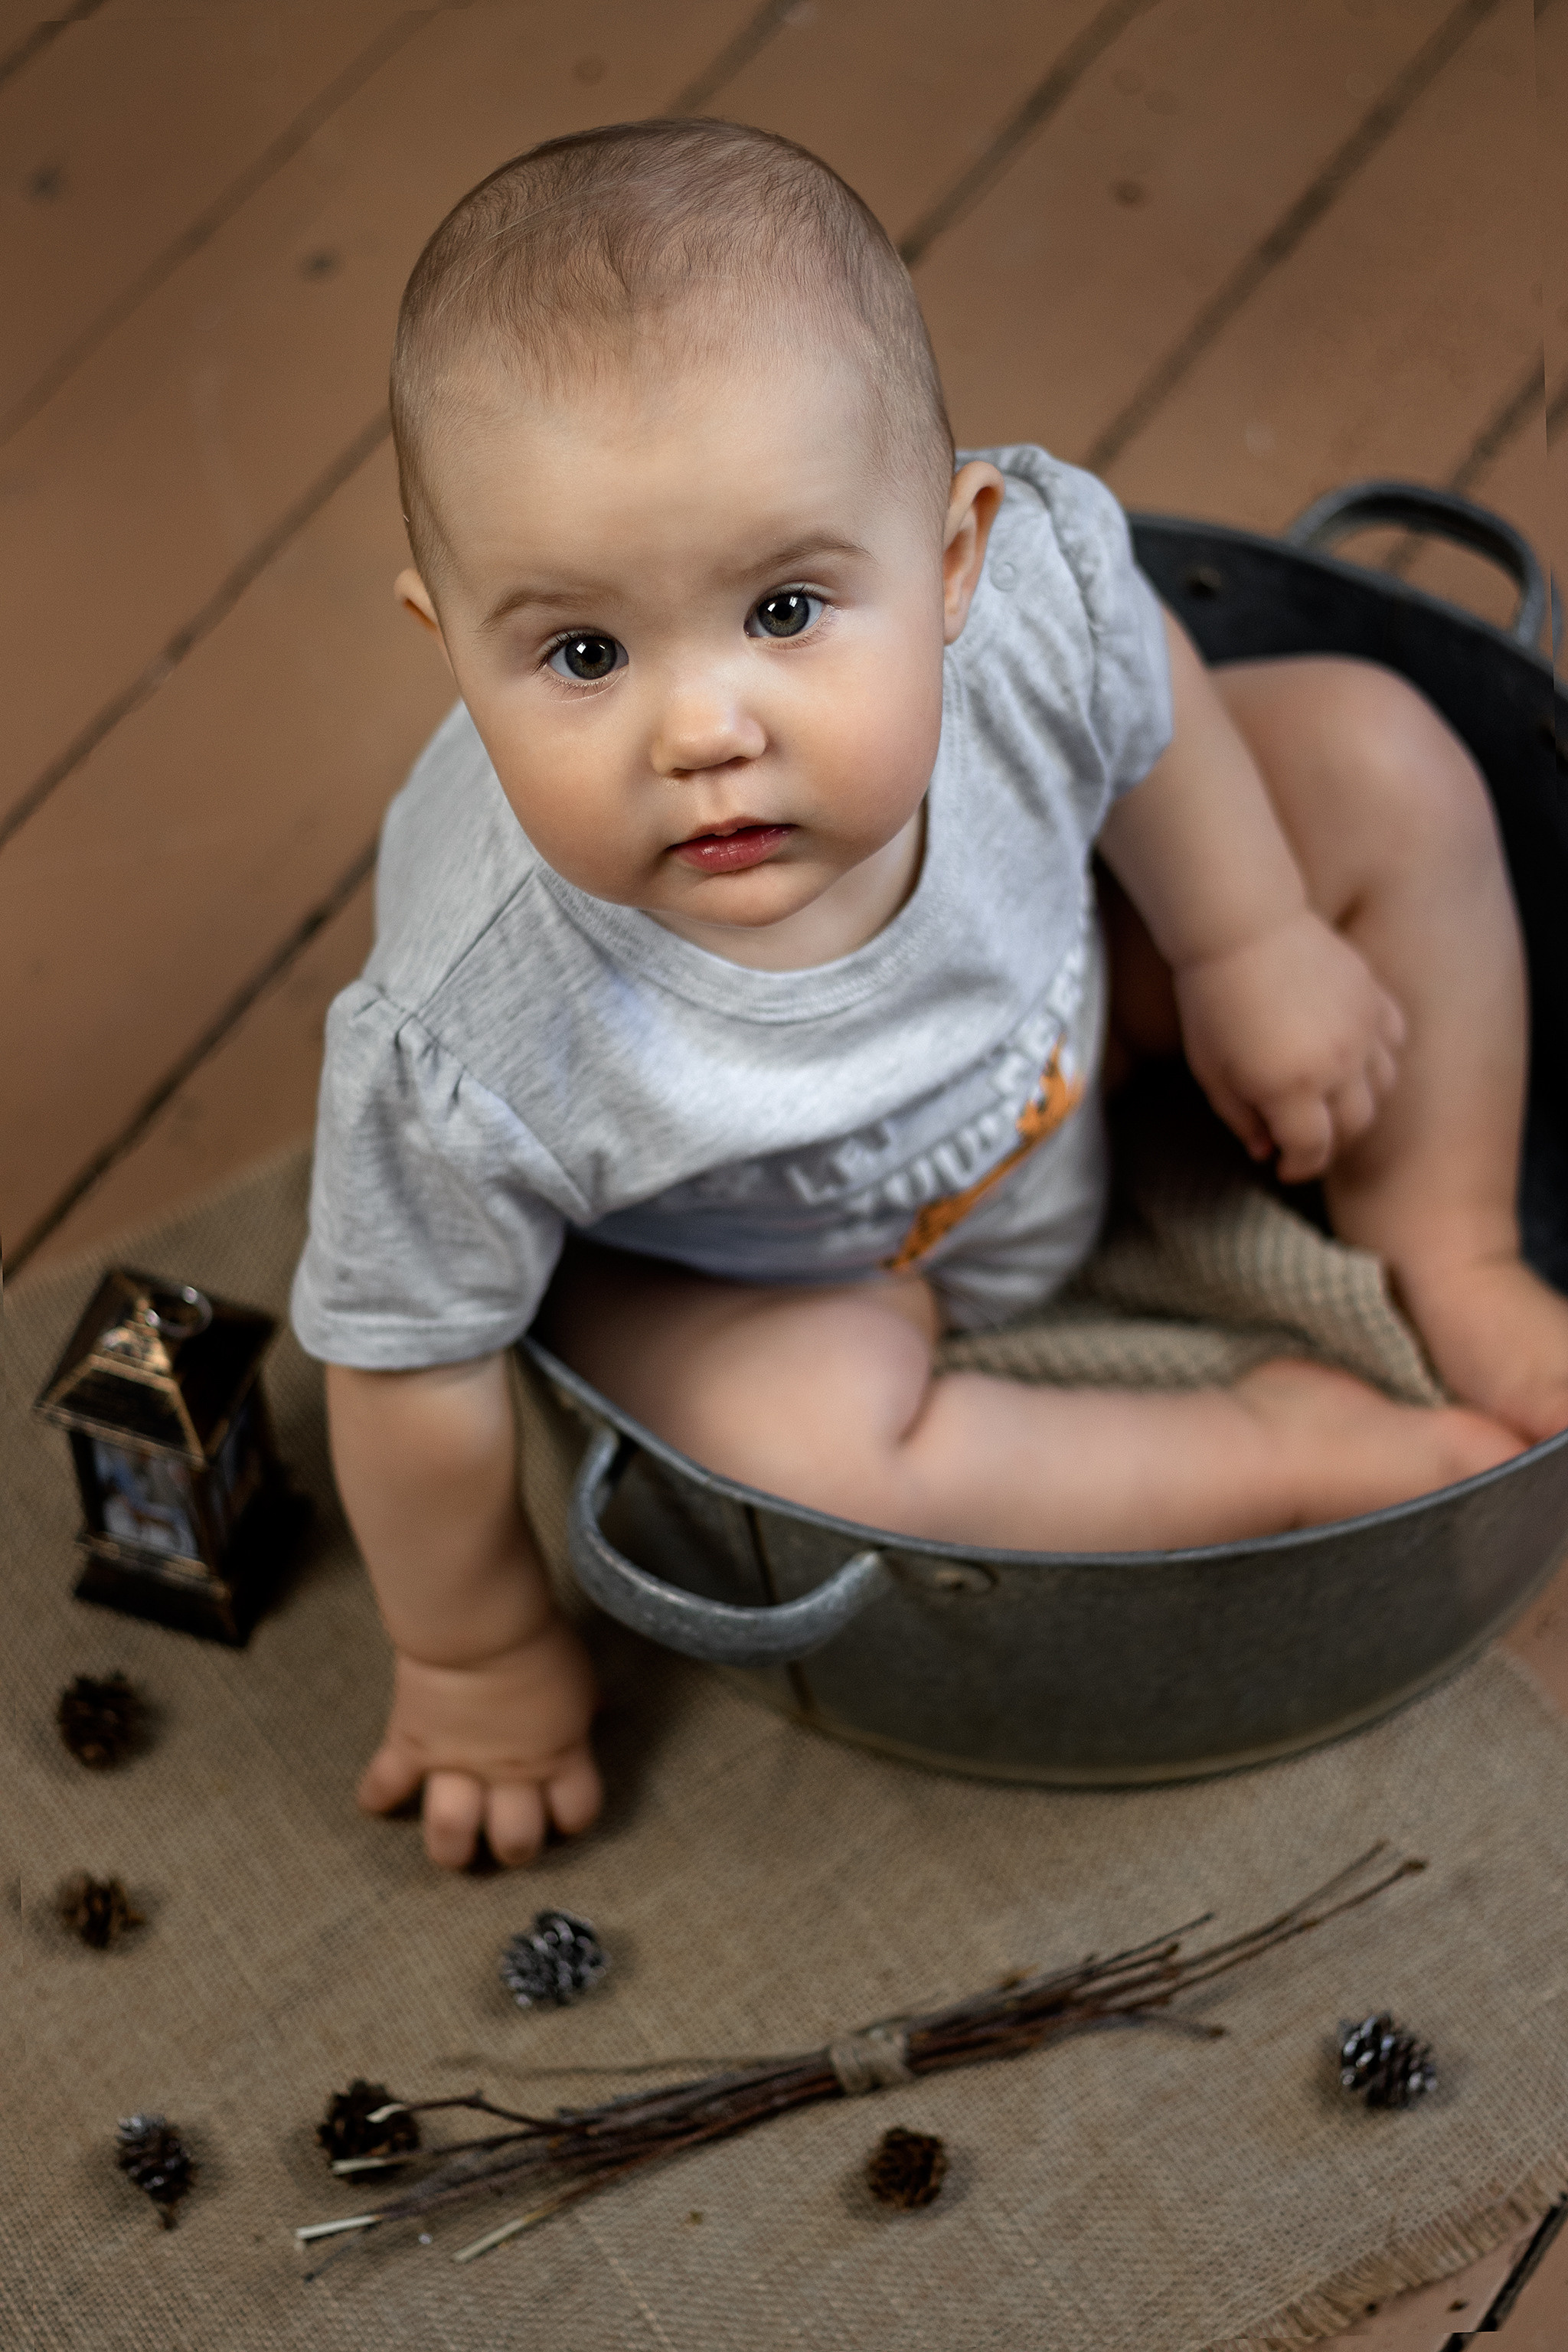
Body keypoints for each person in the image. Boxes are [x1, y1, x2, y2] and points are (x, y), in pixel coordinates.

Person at [291, 120, 1568, 1873]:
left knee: (1379, 756)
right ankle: (1259, 1456)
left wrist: (1245, 943)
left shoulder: (1034, 594)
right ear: (449, 644)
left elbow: (1152, 692)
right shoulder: (467, 1034)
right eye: (582, 653)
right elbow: (408, 1365)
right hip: (790, 1264)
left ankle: (1451, 1251)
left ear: (957, 555)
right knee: (793, 1451)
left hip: (1081, 1002)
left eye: (790, 606)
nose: (702, 730)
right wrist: (476, 1648)